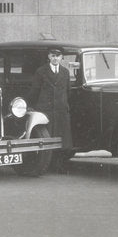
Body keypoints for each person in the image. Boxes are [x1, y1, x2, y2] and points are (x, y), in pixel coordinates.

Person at [28, 45, 73, 174]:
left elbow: (68, 91)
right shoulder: (41, 71)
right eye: (52, 55)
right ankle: (48, 165)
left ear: (61, 57)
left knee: (62, 139)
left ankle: (60, 165)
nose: (55, 58)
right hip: (46, 110)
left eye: (57, 56)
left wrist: (63, 104)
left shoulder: (65, 72)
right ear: (48, 57)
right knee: (48, 138)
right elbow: (35, 91)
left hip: (60, 110)